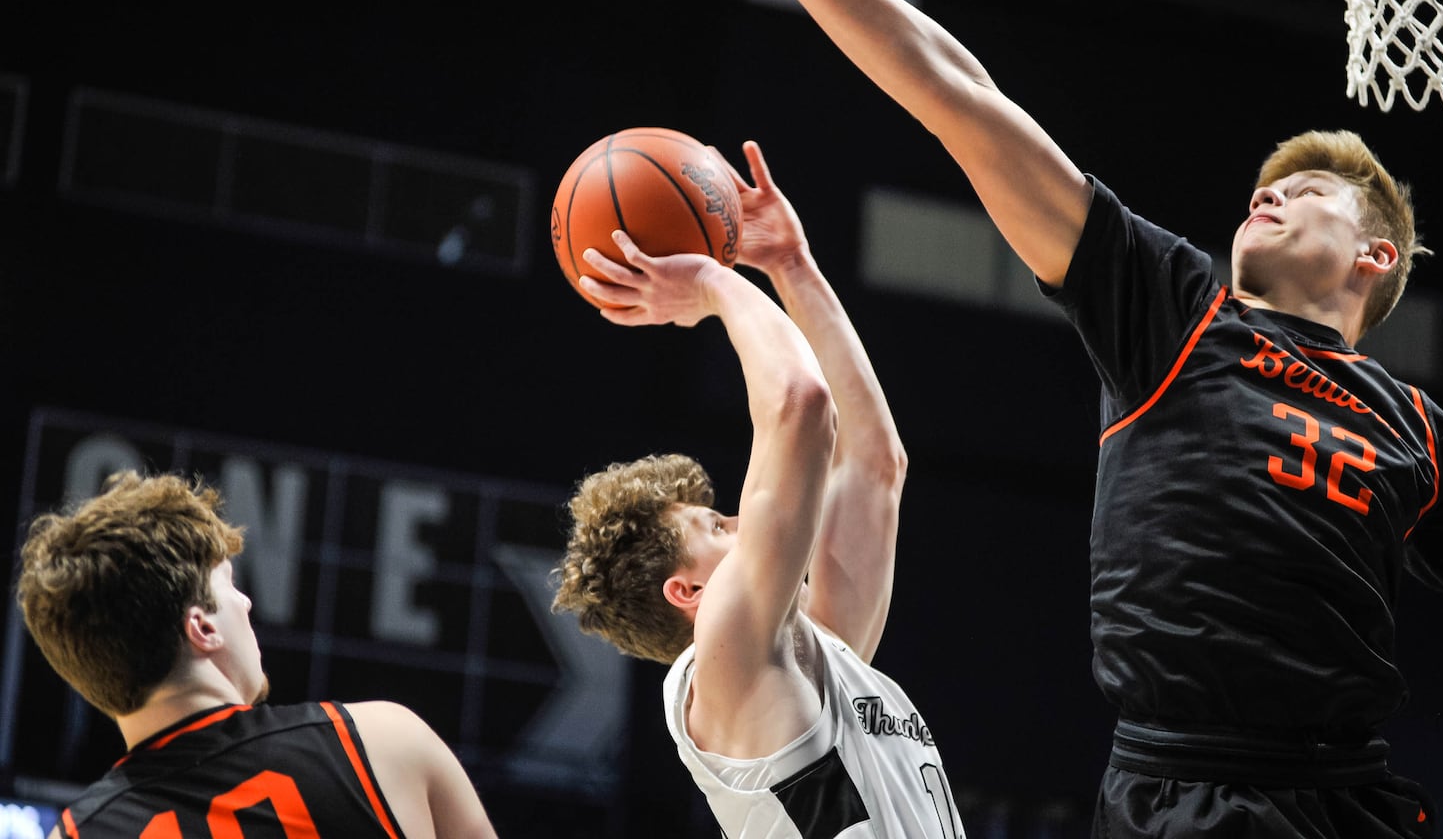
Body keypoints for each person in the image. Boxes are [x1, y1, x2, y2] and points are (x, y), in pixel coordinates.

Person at [619, 0, 1443, 837]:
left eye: (1306, 193)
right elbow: (954, 93)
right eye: (1265, 185)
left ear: (1374, 258)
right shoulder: (1176, 311)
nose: (1268, 192)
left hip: (1351, 796)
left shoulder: (1425, 438)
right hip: (1183, 788)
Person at [552, 140, 965, 839]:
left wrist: (788, 265)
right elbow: (802, 404)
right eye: (714, 527)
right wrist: (712, 286)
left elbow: (873, 463)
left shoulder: (810, 661)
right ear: (688, 594)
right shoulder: (727, 656)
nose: (741, 521)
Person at [14, 470, 498, 839]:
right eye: (229, 587)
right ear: (202, 628)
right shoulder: (381, 743)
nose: (246, 603)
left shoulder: (78, 833)